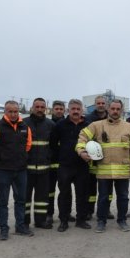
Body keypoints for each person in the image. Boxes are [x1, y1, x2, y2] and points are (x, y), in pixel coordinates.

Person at [77, 99, 130, 233]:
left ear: (122, 110)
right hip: (104, 169)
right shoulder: (97, 125)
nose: (115, 111)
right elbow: (82, 136)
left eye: (118, 109)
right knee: (103, 198)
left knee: (123, 197)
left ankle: (122, 220)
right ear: (108, 109)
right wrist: (81, 151)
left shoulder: (128, 127)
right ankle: (101, 222)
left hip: (122, 170)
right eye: (113, 109)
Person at [0, 100, 33, 240]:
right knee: (3, 201)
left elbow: (28, 145)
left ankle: (20, 226)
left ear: (18, 112)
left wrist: (21, 157)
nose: (13, 114)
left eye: (15, 111)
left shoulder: (25, 127)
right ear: (5, 112)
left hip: (21, 170)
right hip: (3, 171)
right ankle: (3, 229)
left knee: (21, 200)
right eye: (10, 111)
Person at [50, 99, 90, 232]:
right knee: (64, 194)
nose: (76, 111)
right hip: (65, 166)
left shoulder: (88, 125)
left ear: (82, 110)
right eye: (73, 109)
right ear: (68, 110)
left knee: (82, 194)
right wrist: (62, 156)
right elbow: (53, 144)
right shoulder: (60, 125)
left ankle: (81, 220)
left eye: (78, 109)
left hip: (82, 165)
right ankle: (64, 220)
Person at [24, 98, 56, 229]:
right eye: (37, 107)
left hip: (44, 169)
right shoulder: (23, 123)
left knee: (42, 198)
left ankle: (40, 221)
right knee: (25, 198)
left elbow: (54, 146)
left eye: (42, 107)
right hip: (26, 169)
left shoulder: (51, 125)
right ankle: (24, 222)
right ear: (32, 108)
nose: (39, 109)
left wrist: (49, 158)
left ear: (45, 109)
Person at [85, 95, 110, 220]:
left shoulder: (111, 119)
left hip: (108, 158)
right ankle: (89, 211)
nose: (100, 105)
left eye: (103, 103)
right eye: (98, 103)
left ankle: (106, 210)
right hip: (92, 159)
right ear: (95, 105)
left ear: (106, 105)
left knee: (107, 187)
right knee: (91, 187)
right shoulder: (88, 119)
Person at [47, 100, 66, 226]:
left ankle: (65, 214)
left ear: (64, 110)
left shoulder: (68, 124)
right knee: (50, 191)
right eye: (57, 109)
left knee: (65, 191)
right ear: (52, 110)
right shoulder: (47, 124)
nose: (59, 111)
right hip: (50, 163)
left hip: (64, 164)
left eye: (61, 109)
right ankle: (49, 214)